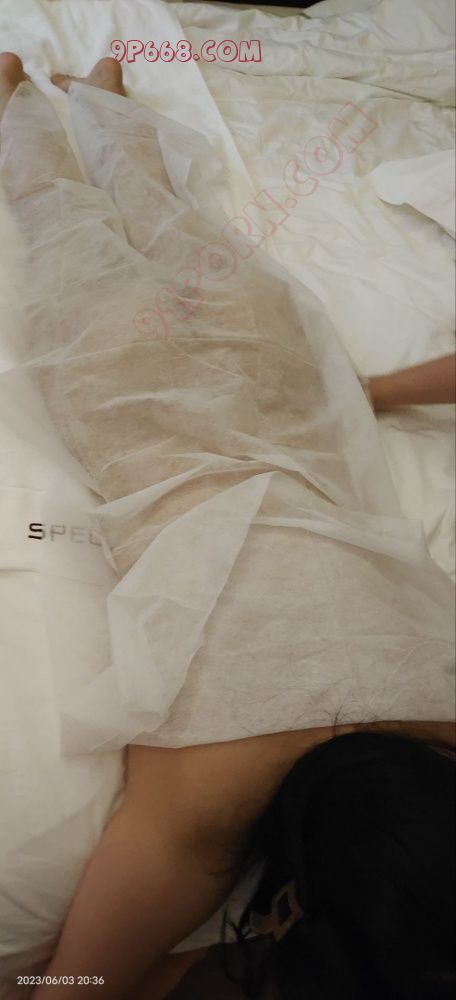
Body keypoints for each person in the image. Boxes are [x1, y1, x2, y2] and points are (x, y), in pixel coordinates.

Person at [0, 53, 454, 1000]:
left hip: (277, 377)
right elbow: (78, 989)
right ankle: (22, 97)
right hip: (132, 394)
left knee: (162, 206)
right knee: (55, 211)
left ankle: (95, 99)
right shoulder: (208, 796)